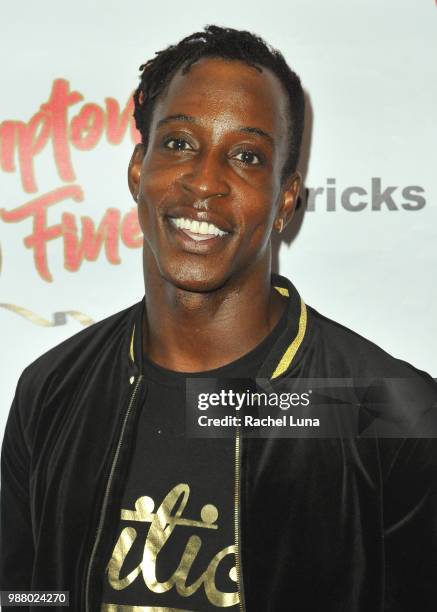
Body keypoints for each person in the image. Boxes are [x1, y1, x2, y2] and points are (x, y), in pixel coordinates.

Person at [1, 25, 436, 612]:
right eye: (179, 143)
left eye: (247, 156)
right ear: (138, 170)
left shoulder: (386, 410)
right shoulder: (53, 389)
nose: (206, 181)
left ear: (285, 200)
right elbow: (27, 595)